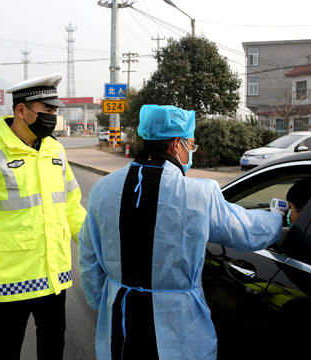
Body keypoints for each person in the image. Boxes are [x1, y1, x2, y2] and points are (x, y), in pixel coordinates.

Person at [78, 104, 283, 359]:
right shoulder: (200, 194)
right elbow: (246, 231)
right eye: (191, 145)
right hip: (176, 327)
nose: (191, 152)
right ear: (177, 145)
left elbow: (88, 257)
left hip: (121, 319)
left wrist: (104, 301)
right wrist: (278, 218)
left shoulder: (103, 189)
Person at [0, 73, 87, 360]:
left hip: (54, 275)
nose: (53, 116)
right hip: (10, 279)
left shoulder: (55, 149)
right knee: (5, 350)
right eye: (47, 110)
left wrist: (96, 251)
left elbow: (72, 206)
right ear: (21, 110)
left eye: (55, 111)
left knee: (53, 348)